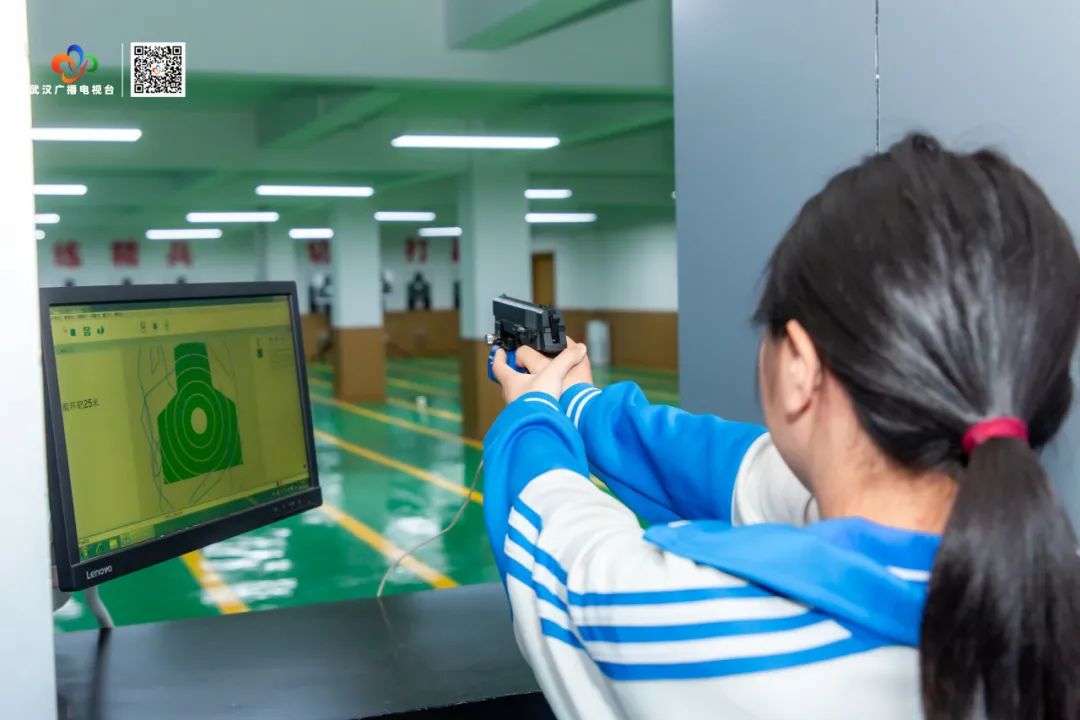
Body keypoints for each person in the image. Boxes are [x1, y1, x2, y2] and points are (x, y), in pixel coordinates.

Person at [483, 134, 1080, 720]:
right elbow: (734, 469)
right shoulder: (1046, 589)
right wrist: (580, 403)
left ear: (798, 365)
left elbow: (555, 546)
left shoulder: (699, 628)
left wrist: (532, 415)